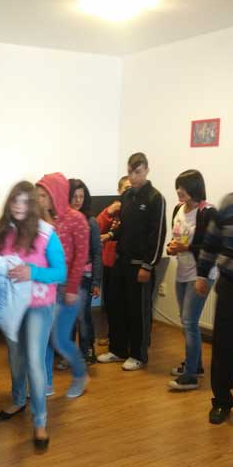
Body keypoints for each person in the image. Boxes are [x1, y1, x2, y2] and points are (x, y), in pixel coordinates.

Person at [0, 181, 66, 449]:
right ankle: (18, 399)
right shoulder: (4, 231)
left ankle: (40, 421)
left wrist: (32, 272)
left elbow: (61, 272)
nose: (19, 206)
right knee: (15, 358)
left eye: (25, 201)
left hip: (38, 306)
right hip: (12, 305)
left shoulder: (47, 233)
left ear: (33, 204)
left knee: (34, 360)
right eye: (15, 200)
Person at [98, 152, 166, 370]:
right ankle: (118, 350)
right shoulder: (126, 196)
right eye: (130, 172)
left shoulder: (155, 198)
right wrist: (109, 235)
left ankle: (138, 355)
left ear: (146, 170)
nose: (133, 177)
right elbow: (123, 227)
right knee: (116, 306)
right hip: (121, 261)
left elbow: (158, 235)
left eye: (137, 172)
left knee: (138, 312)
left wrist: (148, 265)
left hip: (140, 265)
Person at [196, 182, 233, 424]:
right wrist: (202, 274)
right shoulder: (230, 203)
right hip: (232, 287)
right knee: (224, 346)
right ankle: (221, 401)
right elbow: (211, 242)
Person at [36, 173, 89, 398]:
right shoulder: (45, 220)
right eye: (37, 195)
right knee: (45, 339)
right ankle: (46, 383)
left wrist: (72, 289)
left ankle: (80, 375)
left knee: (60, 340)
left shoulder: (77, 219)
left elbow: (81, 257)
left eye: (43, 195)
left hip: (68, 289)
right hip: (47, 288)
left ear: (55, 194)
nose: (39, 199)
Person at [166, 170, 217, 391]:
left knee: (189, 322)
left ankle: (191, 375)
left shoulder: (208, 212)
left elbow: (210, 247)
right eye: (178, 187)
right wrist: (171, 248)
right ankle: (195, 364)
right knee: (186, 321)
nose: (179, 191)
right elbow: (175, 237)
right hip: (182, 271)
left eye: (183, 187)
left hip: (201, 274)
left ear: (195, 188)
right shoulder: (178, 209)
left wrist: (185, 248)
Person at [69, 179, 102, 365]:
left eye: (81, 196)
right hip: (66, 277)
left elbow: (97, 253)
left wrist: (96, 281)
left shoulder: (91, 222)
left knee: (82, 315)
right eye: (74, 196)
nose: (78, 200)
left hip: (85, 276)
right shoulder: (62, 220)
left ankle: (87, 351)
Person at [97, 175, 131, 348]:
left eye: (131, 188)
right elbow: (96, 228)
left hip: (125, 262)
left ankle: (126, 340)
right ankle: (112, 337)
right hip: (109, 261)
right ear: (119, 191)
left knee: (125, 304)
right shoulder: (112, 209)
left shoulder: (134, 210)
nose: (128, 191)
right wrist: (108, 212)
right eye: (125, 188)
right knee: (110, 304)